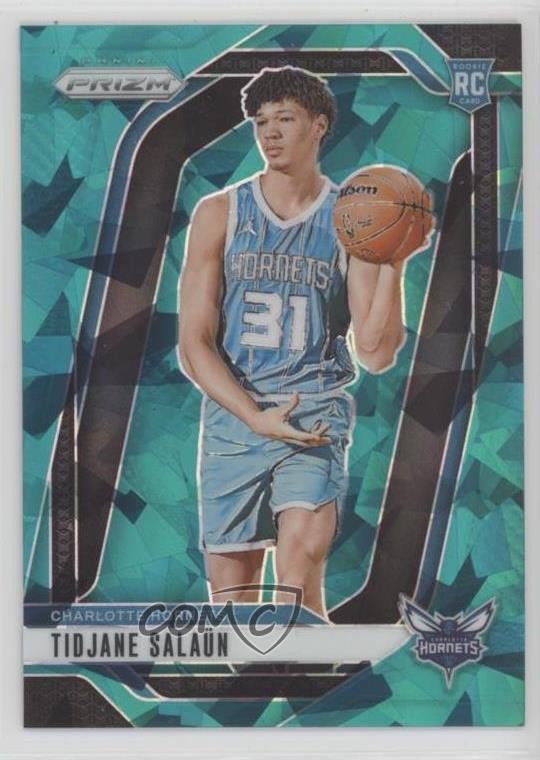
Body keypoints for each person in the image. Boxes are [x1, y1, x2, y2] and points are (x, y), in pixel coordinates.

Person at [178, 66, 405, 618]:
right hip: (235, 420)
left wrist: (394, 263)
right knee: (234, 614)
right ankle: (278, 668)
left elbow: (375, 352)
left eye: (285, 118)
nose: (270, 133)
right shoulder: (219, 213)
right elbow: (193, 344)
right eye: (261, 122)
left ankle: (307, 666)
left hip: (312, 413)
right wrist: (254, 417)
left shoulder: (350, 220)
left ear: (319, 125)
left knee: (299, 571)